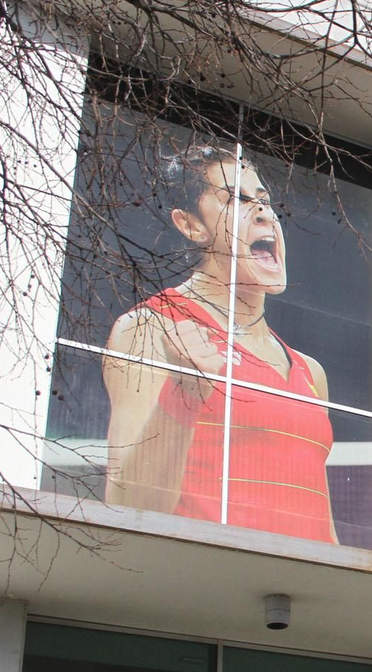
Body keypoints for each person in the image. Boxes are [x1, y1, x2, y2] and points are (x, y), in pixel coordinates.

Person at [101, 143, 338, 544]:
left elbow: (323, 526)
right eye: (237, 200)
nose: (262, 212)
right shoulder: (151, 328)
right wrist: (182, 396)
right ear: (192, 225)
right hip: (212, 592)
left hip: (305, 600)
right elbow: (127, 506)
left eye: (264, 201)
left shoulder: (310, 371)